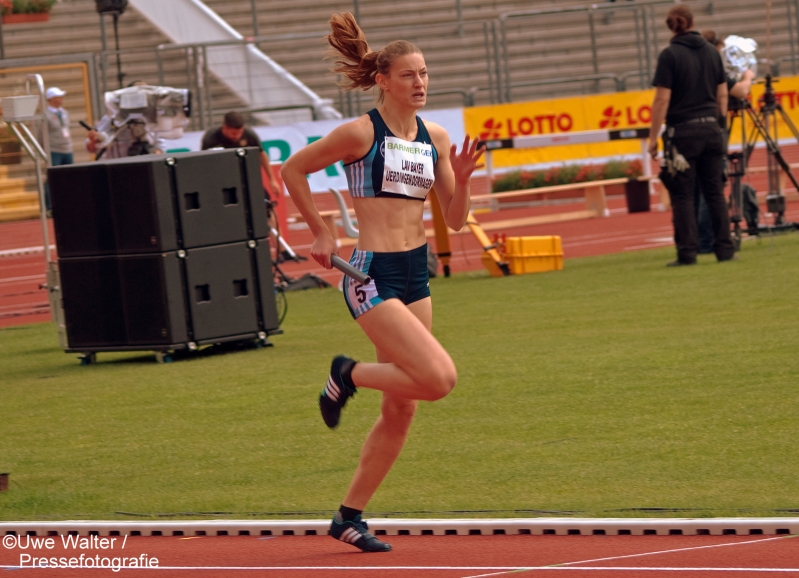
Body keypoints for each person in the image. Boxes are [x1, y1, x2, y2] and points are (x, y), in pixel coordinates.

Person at [281, 12, 484, 553]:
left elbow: (457, 218)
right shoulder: (359, 133)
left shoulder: (434, 136)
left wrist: (461, 182)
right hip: (370, 272)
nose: (420, 83)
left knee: (405, 404)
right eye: (409, 75)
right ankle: (346, 373)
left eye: (425, 73)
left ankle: (348, 516)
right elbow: (293, 170)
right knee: (439, 379)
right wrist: (322, 230)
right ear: (383, 80)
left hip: (415, 272)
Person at [648, 4, 735, 266]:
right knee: (715, 192)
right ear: (692, 22)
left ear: (671, 26)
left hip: (683, 132)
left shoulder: (669, 56)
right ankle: (725, 250)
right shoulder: (711, 51)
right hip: (711, 128)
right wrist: (719, 125)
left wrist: (653, 138)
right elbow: (722, 94)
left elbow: (662, 101)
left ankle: (687, 253)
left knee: (683, 195)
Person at [692, 29, 757, 251]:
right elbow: (739, 90)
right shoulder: (713, 66)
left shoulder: (692, 66)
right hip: (712, 131)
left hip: (690, 131)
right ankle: (709, 238)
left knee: (696, 188)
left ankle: (697, 238)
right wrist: (748, 76)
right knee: (711, 186)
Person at [201, 111, 279, 197]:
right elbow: (203, 161)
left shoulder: (249, 134)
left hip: (244, 174)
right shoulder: (211, 137)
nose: (237, 136)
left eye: (240, 133)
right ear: (224, 128)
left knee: (263, 197)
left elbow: (261, 153)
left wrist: (272, 180)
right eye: (234, 133)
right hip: (221, 176)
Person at [85, 81, 164, 159]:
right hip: (116, 165)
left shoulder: (152, 118)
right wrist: (95, 140)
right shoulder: (112, 118)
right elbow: (91, 146)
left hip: (145, 164)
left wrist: (156, 155)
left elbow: (160, 145)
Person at [44, 87, 74, 212]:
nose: (61, 99)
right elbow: (41, 135)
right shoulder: (45, 115)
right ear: (51, 99)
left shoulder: (65, 112)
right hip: (54, 150)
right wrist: (44, 150)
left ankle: (67, 204)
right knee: (52, 178)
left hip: (67, 149)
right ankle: (49, 206)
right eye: (58, 97)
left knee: (69, 177)